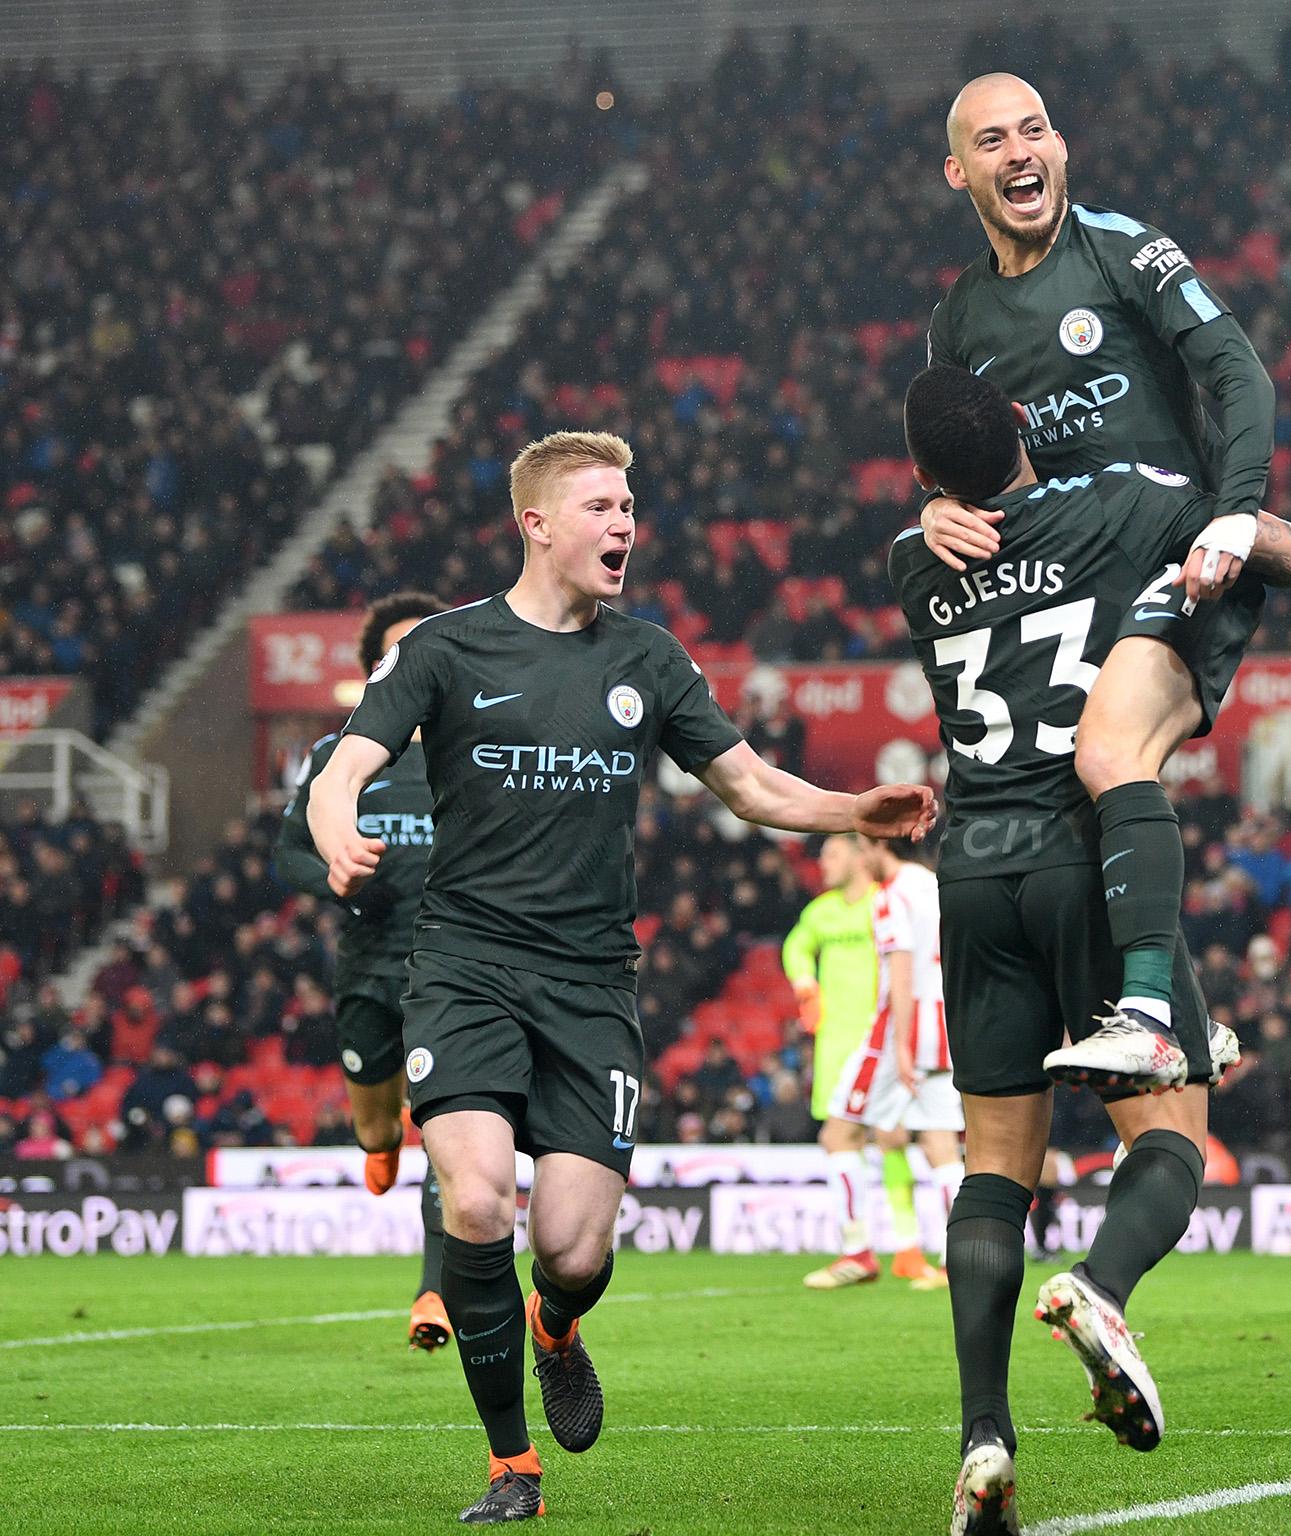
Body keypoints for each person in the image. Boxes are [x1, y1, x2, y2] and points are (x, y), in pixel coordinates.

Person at [306, 430, 935, 1525]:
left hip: (591, 985)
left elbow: (746, 785)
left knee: (575, 1248)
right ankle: (511, 1467)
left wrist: (851, 810)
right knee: (475, 1197)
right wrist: (334, 832)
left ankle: (557, 1324)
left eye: (630, 506)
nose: (625, 524)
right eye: (601, 506)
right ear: (537, 525)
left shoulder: (646, 658)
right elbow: (345, 765)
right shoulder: (447, 651)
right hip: (463, 970)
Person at [890, 365, 1291, 1535]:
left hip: (971, 870)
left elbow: (952, 510)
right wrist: (1232, 519)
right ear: (1028, 424)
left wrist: (932, 504)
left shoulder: (909, 558)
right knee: (1176, 1130)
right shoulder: (1119, 501)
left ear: (928, 477)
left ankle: (984, 1437)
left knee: (992, 1170)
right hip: (1084, 858)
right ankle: (1102, 1287)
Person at [922, 73, 1277, 1092]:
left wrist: (1238, 509)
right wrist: (930, 507)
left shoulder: (1124, 248)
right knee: (1064, 805)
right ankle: (1190, 1016)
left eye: (1034, 130)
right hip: (1061, 584)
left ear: (1062, 147)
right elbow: (944, 460)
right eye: (993, 140)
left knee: (1109, 753)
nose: (1019, 151)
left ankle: (1155, 1022)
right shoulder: (959, 321)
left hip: (1174, 554)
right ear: (960, 172)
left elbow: (1238, 374)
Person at [276, 590, 453, 1352]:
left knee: (451, 1134)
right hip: (368, 968)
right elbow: (287, 853)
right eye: (397, 649)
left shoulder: (474, 747)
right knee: (379, 1122)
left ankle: (435, 1294)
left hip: (453, 971)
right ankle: (377, 1143)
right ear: (376, 667)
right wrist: (335, 878)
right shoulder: (336, 756)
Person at [806, 834, 964, 1291]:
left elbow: (900, 967)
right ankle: (962, 1259)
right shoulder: (933, 884)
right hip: (943, 1025)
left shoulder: (891, 894)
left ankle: (856, 1252)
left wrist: (900, 1047)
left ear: (874, 847)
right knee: (942, 1147)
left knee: (838, 1134)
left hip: (899, 1031)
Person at [783, 834, 930, 1286]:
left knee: (890, 1136)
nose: (823, 862)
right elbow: (795, 947)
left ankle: (900, 1247)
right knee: (844, 1138)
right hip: (834, 1044)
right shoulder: (821, 911)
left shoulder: (883, 903)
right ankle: (873, 1246)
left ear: (857, 855)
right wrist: (806, 984)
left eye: (831, 853)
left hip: (880, 1036)